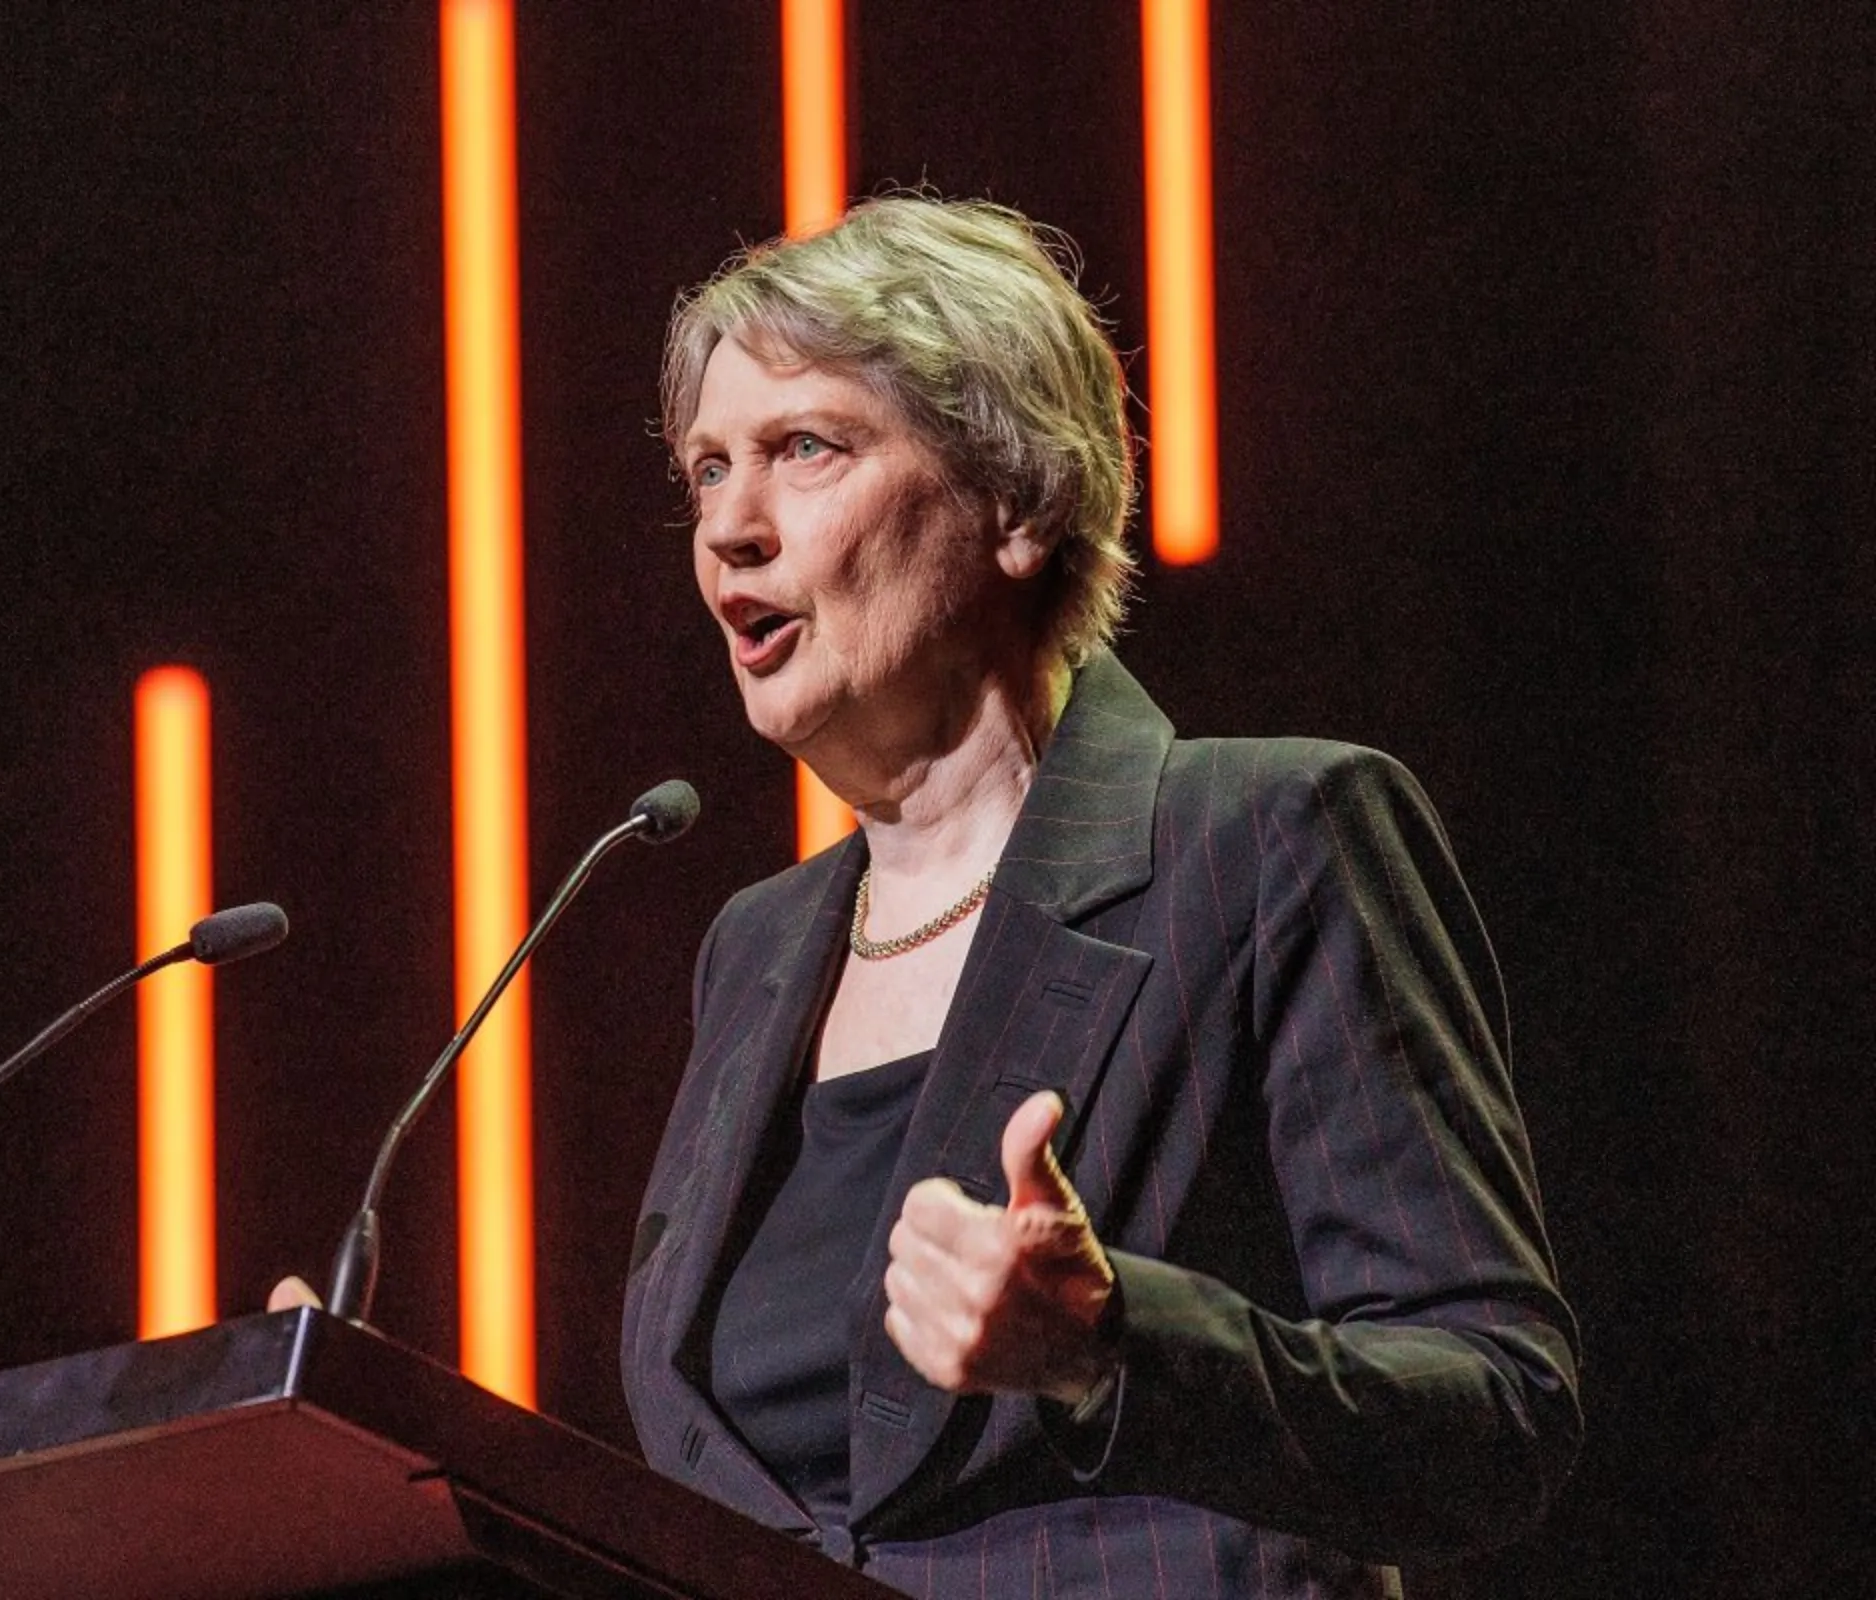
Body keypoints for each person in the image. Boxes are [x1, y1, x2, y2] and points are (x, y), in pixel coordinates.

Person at [615, 195, 1581, 1598]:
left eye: (803, 449)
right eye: (706, 471)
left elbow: (1499, 1413)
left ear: (1017, 500)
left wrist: (1114, 1345)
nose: (731, 532)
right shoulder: (753, 951)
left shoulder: (1266, 842)